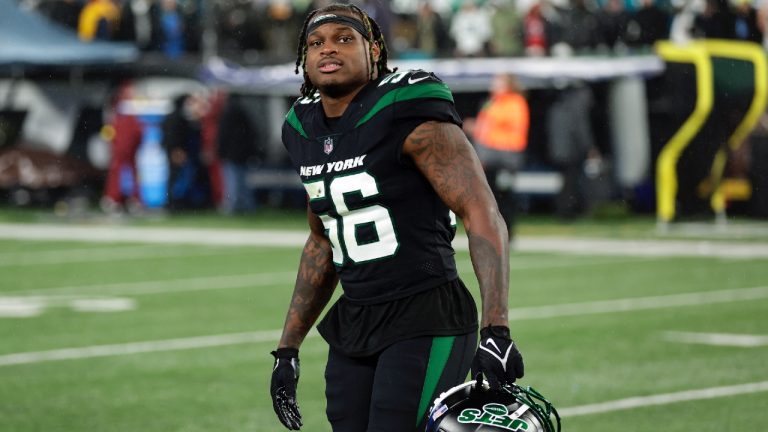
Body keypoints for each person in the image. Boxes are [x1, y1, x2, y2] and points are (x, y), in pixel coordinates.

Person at [269, 4, 524, 432]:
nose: (327, 49)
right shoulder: (302, 127)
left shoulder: (407, 107)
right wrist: (288, 348)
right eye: (316, 43)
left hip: (426, 313)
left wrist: (495, 327)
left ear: (373, 49)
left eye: (343, 39)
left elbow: (479, 210)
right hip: (356, 318)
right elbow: (322, 239)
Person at [464, 73, 529, 241]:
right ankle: (493, 231)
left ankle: (508, 232)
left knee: (504, 195)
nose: (494, 84)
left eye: (499, 82)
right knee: (490, 195)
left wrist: (485, 128)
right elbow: (485, 127)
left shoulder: (515, 102)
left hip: (505, 157)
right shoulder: (492, 102)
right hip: (489, 157)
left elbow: (510, 127)